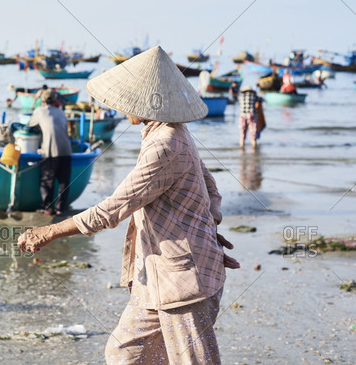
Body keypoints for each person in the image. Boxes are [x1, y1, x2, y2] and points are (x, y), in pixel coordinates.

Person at [18, 46, 240, 364]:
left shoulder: (166, 144)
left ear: (147, 102)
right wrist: (203, 225)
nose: (123, 108)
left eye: (129, 100)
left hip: (182, 282)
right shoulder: (168, 133)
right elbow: (211, 190)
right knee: (125, 353)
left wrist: (49, 232)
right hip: (154, 273)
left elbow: (112, 209)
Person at [27, 89, 72, 215]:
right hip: (66, 150)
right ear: (55, 100)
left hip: (51, 151)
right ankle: (59, 209)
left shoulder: (39, 111)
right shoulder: (61, 112)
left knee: (46, 180)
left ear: (42, 101)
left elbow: (29, 126)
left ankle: (48, 207)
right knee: (64, 181)